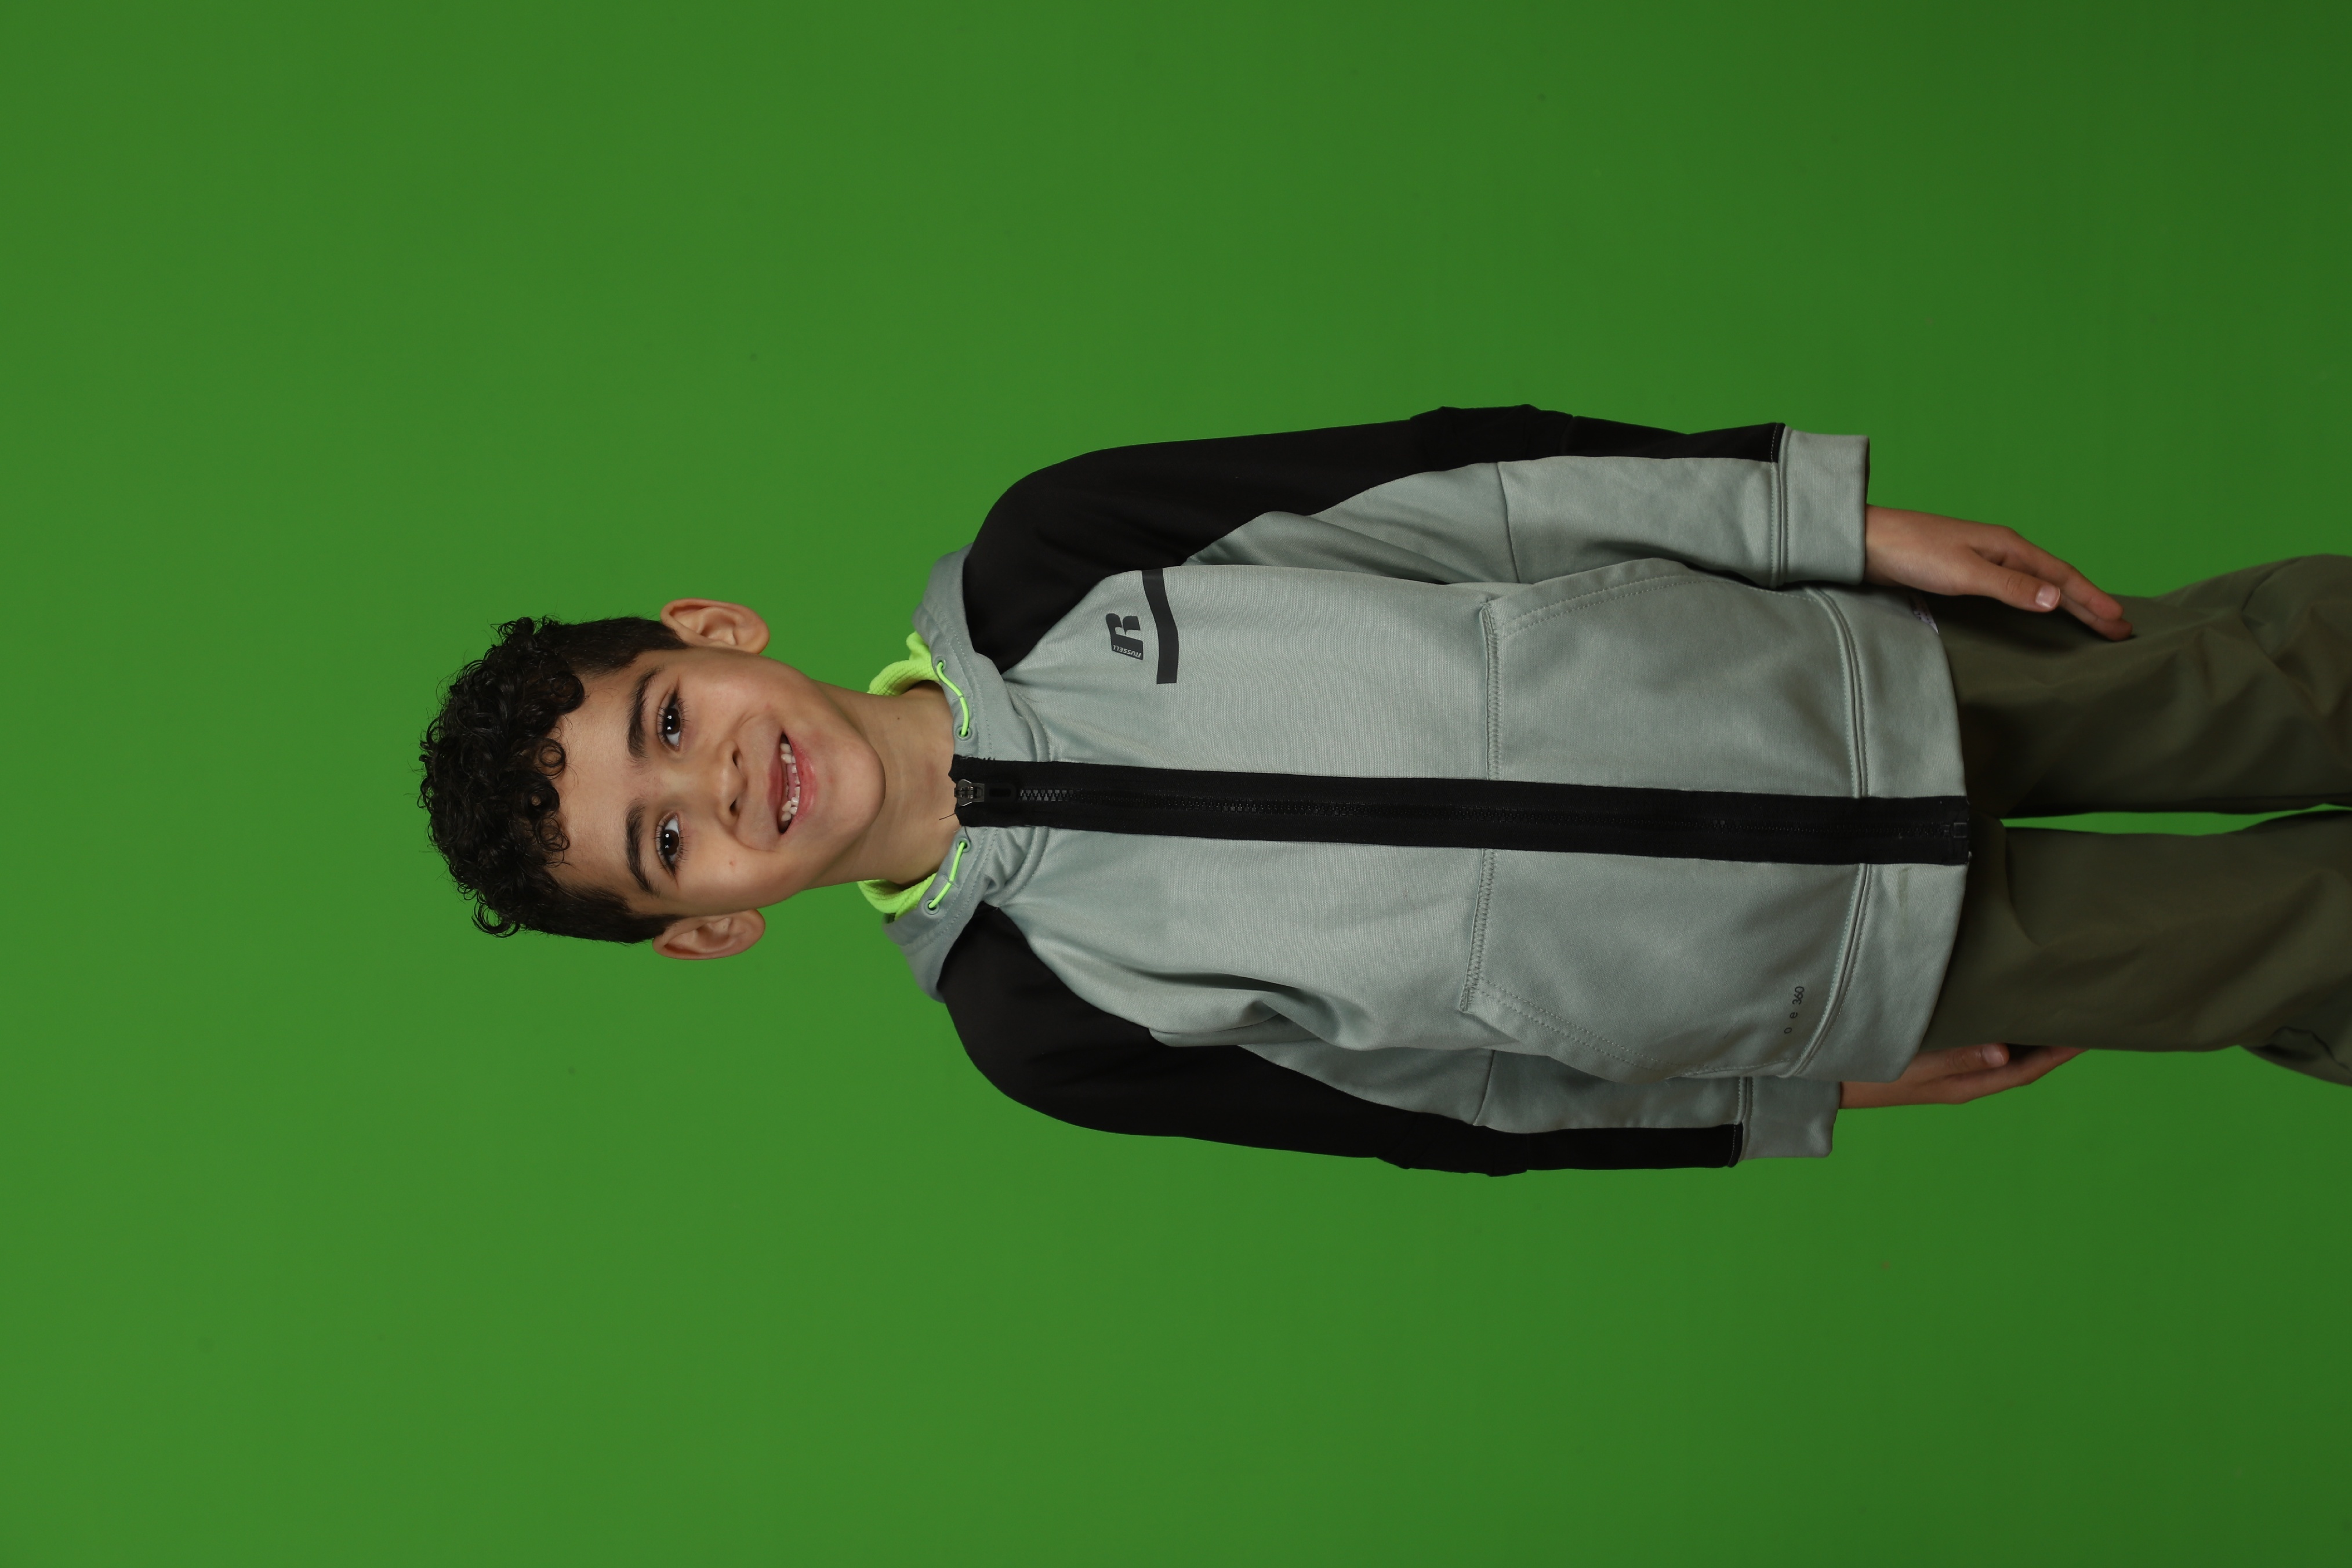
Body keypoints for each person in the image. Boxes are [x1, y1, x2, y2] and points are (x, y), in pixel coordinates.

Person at [418, 406, 2352, 1172]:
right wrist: (1791, 1090)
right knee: (2290, 944)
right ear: (710, 930)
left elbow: (1471, 490)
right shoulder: (1035, 1021)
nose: (715, 782)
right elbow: (1448, 1108)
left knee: (2263, 683)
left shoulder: (1056, 549)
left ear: (714, 628)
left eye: (664, 715)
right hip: (1831, 973)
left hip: (1829, 682)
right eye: (662, 846)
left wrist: (1818, 520)